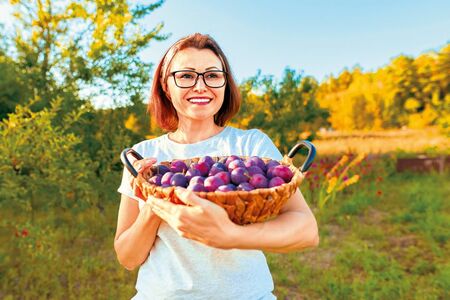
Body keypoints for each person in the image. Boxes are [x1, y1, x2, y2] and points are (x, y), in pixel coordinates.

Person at [114, 33, 319, 299]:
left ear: (225, 83)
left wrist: (231, 235)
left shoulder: (251, 147)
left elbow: (306, 231)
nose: (201, 86)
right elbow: (128, 257)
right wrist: (154, 203)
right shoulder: (144, 157)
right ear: (166, 85)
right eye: (186, 76)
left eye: (212, 75)